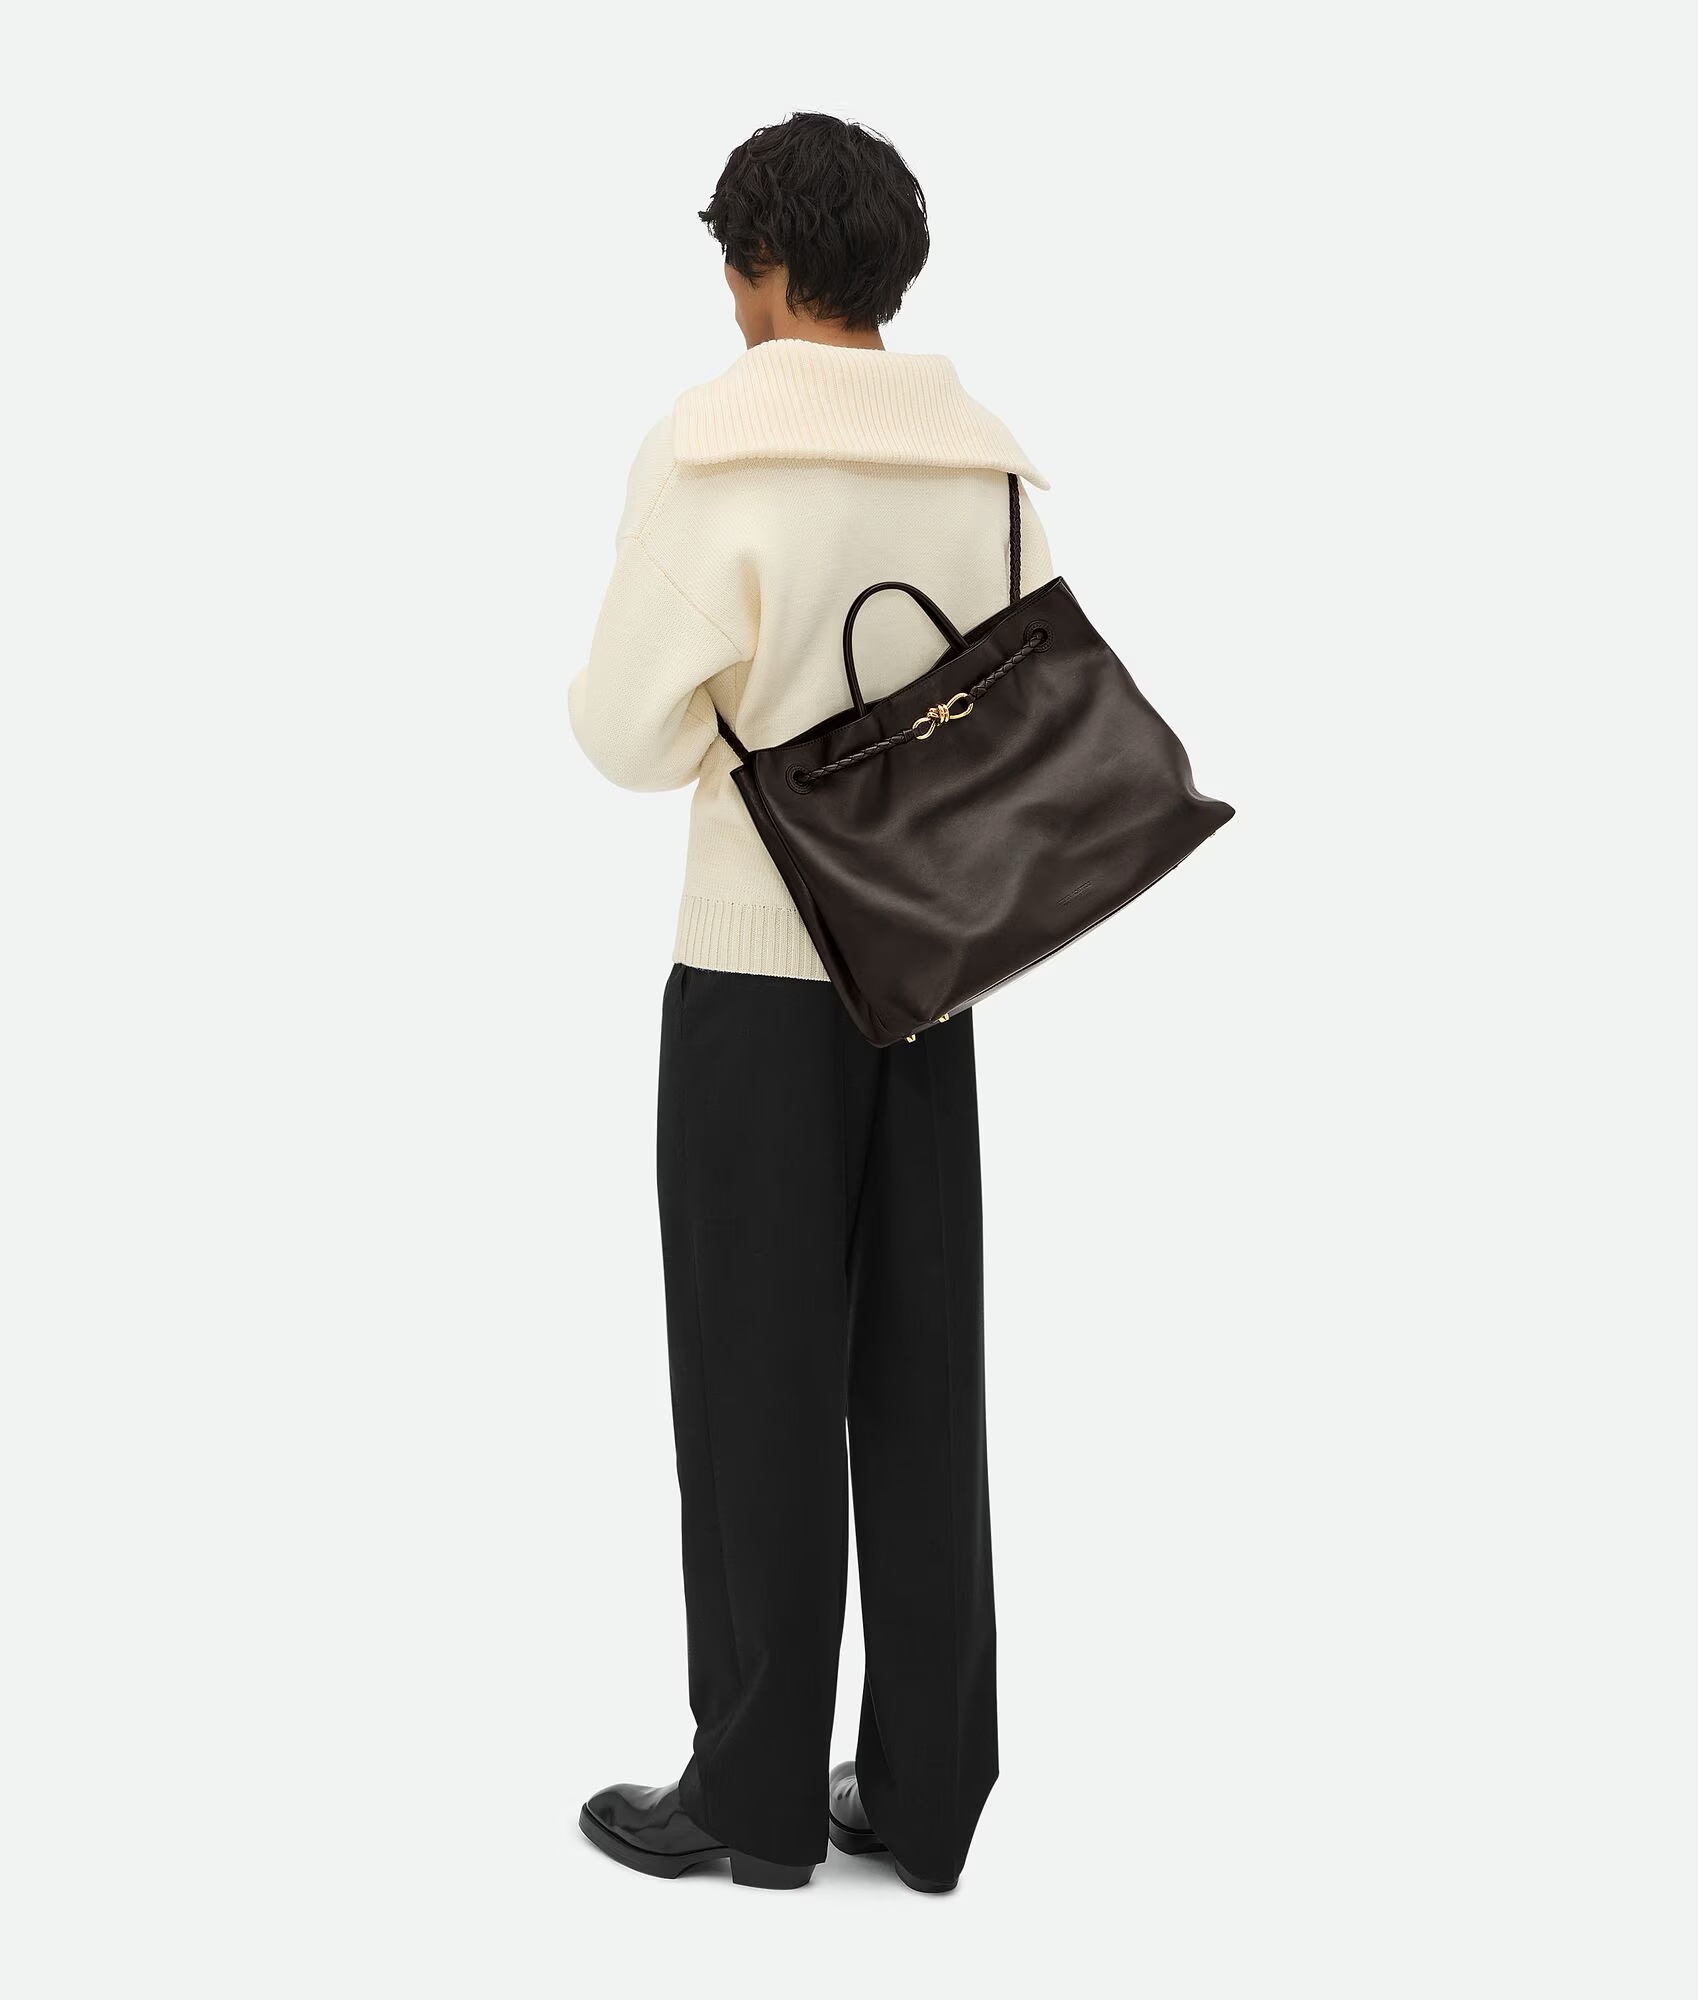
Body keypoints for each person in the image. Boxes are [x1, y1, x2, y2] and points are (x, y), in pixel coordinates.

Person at [568, 111, 1052, 1894]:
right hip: (927, 970)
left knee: (753, 1382)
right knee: (923, 1380)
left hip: (759, 973)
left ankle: (755, 1795)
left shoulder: (713, 452)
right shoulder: (991, 469)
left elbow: (627, 734)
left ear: (762, 270)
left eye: (731, 262)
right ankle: (924, 1794)